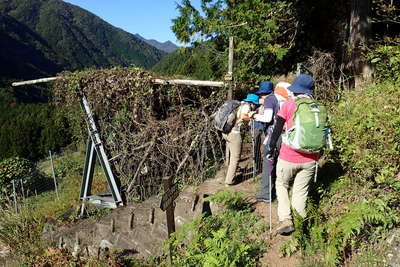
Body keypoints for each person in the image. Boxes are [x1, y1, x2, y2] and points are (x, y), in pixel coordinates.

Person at [265, 74, 319, 235]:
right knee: (300, 192)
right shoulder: (317, 107)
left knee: (281, 184)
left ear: (295, 90)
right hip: (311, 159)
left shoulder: (289, 104)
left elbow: (277, 128)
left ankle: (286, 219)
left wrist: (270, 147)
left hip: (288, 156)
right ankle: (300, 226)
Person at [250, 82, 281, 202]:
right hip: (281, 135)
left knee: (268, 163)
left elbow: (268, 118)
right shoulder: (278, 98)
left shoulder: (269, 99)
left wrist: (255, 116)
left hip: (273, 136)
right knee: (276, 163)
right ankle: (275, 192)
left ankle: (266, 193)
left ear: (263, 93)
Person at [222, 94, 259, 186]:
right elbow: (243, 116)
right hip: (234, 134)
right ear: (253, 103)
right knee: (235, 158)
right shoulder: (247, 106)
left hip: (226, 132)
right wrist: (253, 117)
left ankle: (233, 171)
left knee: (232, 154)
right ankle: (229, 181)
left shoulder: (241, 104)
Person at [252, 81, 274, 175]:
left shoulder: (268, 101)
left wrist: (254, 116)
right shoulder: (274, 100)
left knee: (265, 150)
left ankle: (267, 173)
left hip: (269, 131)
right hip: (270, 131)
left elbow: (267, 118)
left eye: (261, 94)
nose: (261, 96)